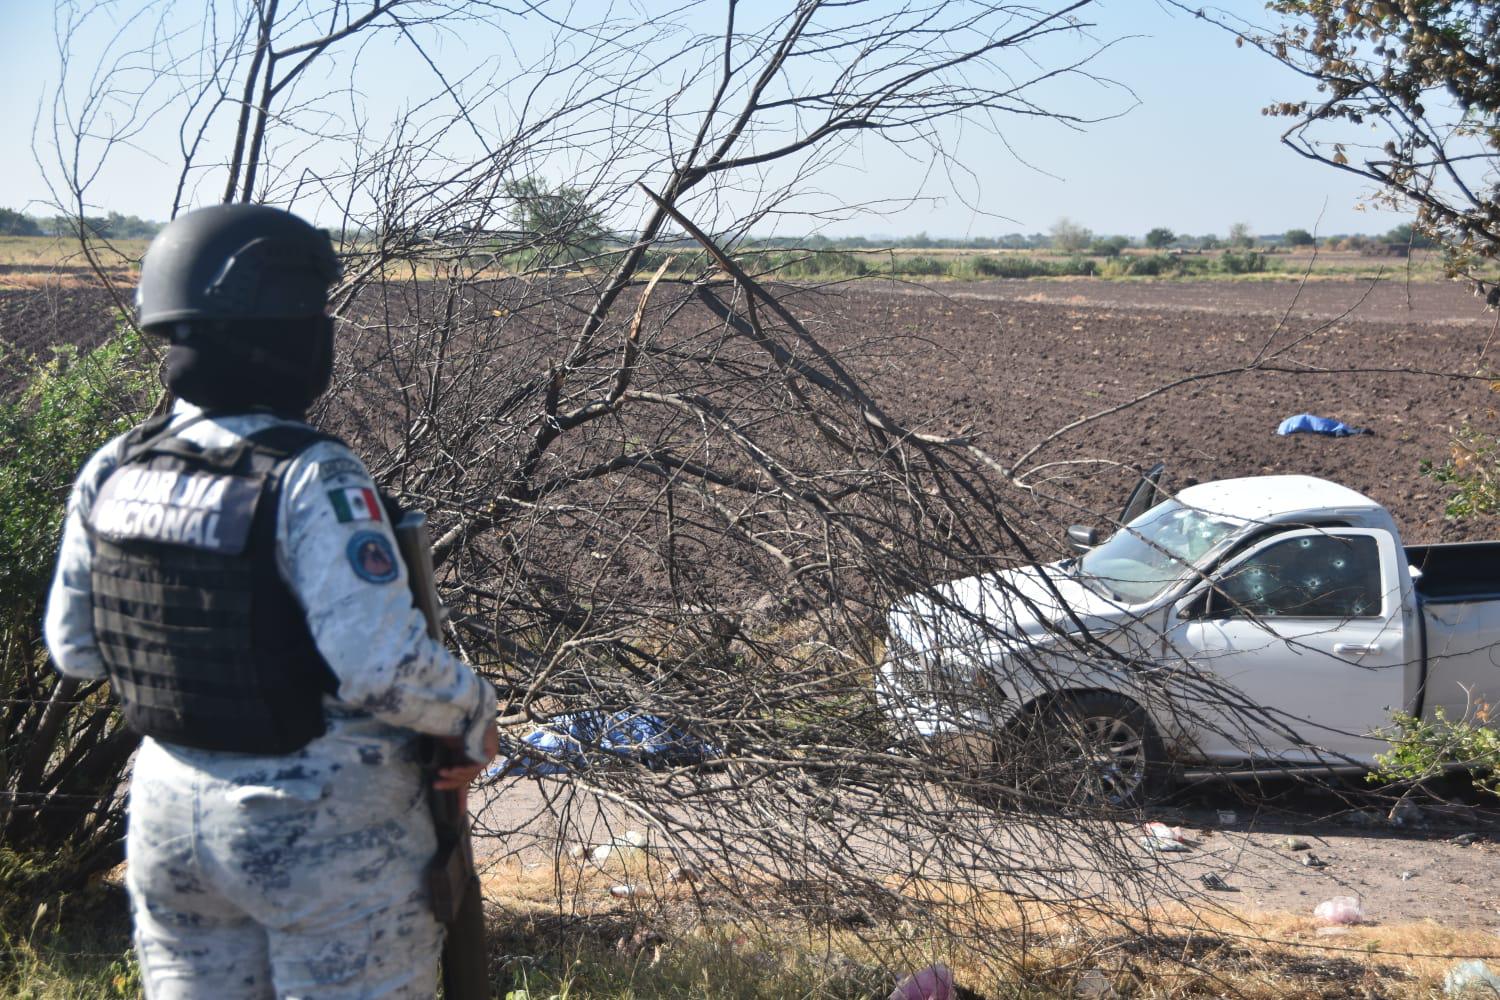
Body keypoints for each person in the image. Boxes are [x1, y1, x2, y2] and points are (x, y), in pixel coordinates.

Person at [43, 203, 498, 999]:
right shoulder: (310, 473)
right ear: (286, 332)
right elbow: (380, 669)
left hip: (165, 819)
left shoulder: (114, 466)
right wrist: (472, 712)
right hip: (321, 837)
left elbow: (74, 650)